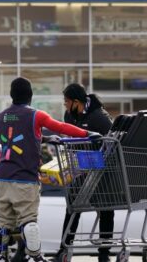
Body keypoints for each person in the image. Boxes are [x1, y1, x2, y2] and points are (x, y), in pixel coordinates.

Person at [0, 78, 99, 262]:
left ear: (11, 95)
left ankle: (1, 257)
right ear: (31, 96)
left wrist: (44, 139)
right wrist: (88, 134)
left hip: (2, 178)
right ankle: (36, 257)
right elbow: (60, 126)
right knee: (29, 221)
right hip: (25, 179)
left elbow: (16, 137)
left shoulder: (1, 116)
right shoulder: (36, 115)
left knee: (3, 223)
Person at [53, 83, 114, 262]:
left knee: (106, 209)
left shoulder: (100, 118)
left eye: (66, 101)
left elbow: (112, 143)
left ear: (77, 102)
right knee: (72, 206)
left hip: (102, 170)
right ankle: (64, 250)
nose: (65, 105)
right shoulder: (69, 116)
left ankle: (104, 254)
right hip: (81, 168)